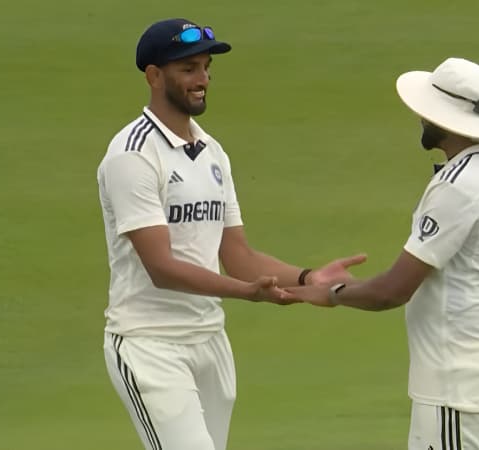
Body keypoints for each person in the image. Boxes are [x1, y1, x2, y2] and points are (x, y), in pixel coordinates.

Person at [96, 18, 365, 450]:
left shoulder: (212, 152)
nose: (202, 79)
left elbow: (238, 254)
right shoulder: (133, 155)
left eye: (205, 67)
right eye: (188, 69)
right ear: (153, 75)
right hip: (151, 346)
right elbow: (161, 268)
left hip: (210, 342)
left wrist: (307, 278)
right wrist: (246, 292)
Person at [289, 57, 479, 450]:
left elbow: (393, 291)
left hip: (456, 377)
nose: (420, 116)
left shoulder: (458, 186)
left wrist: (331, 293)